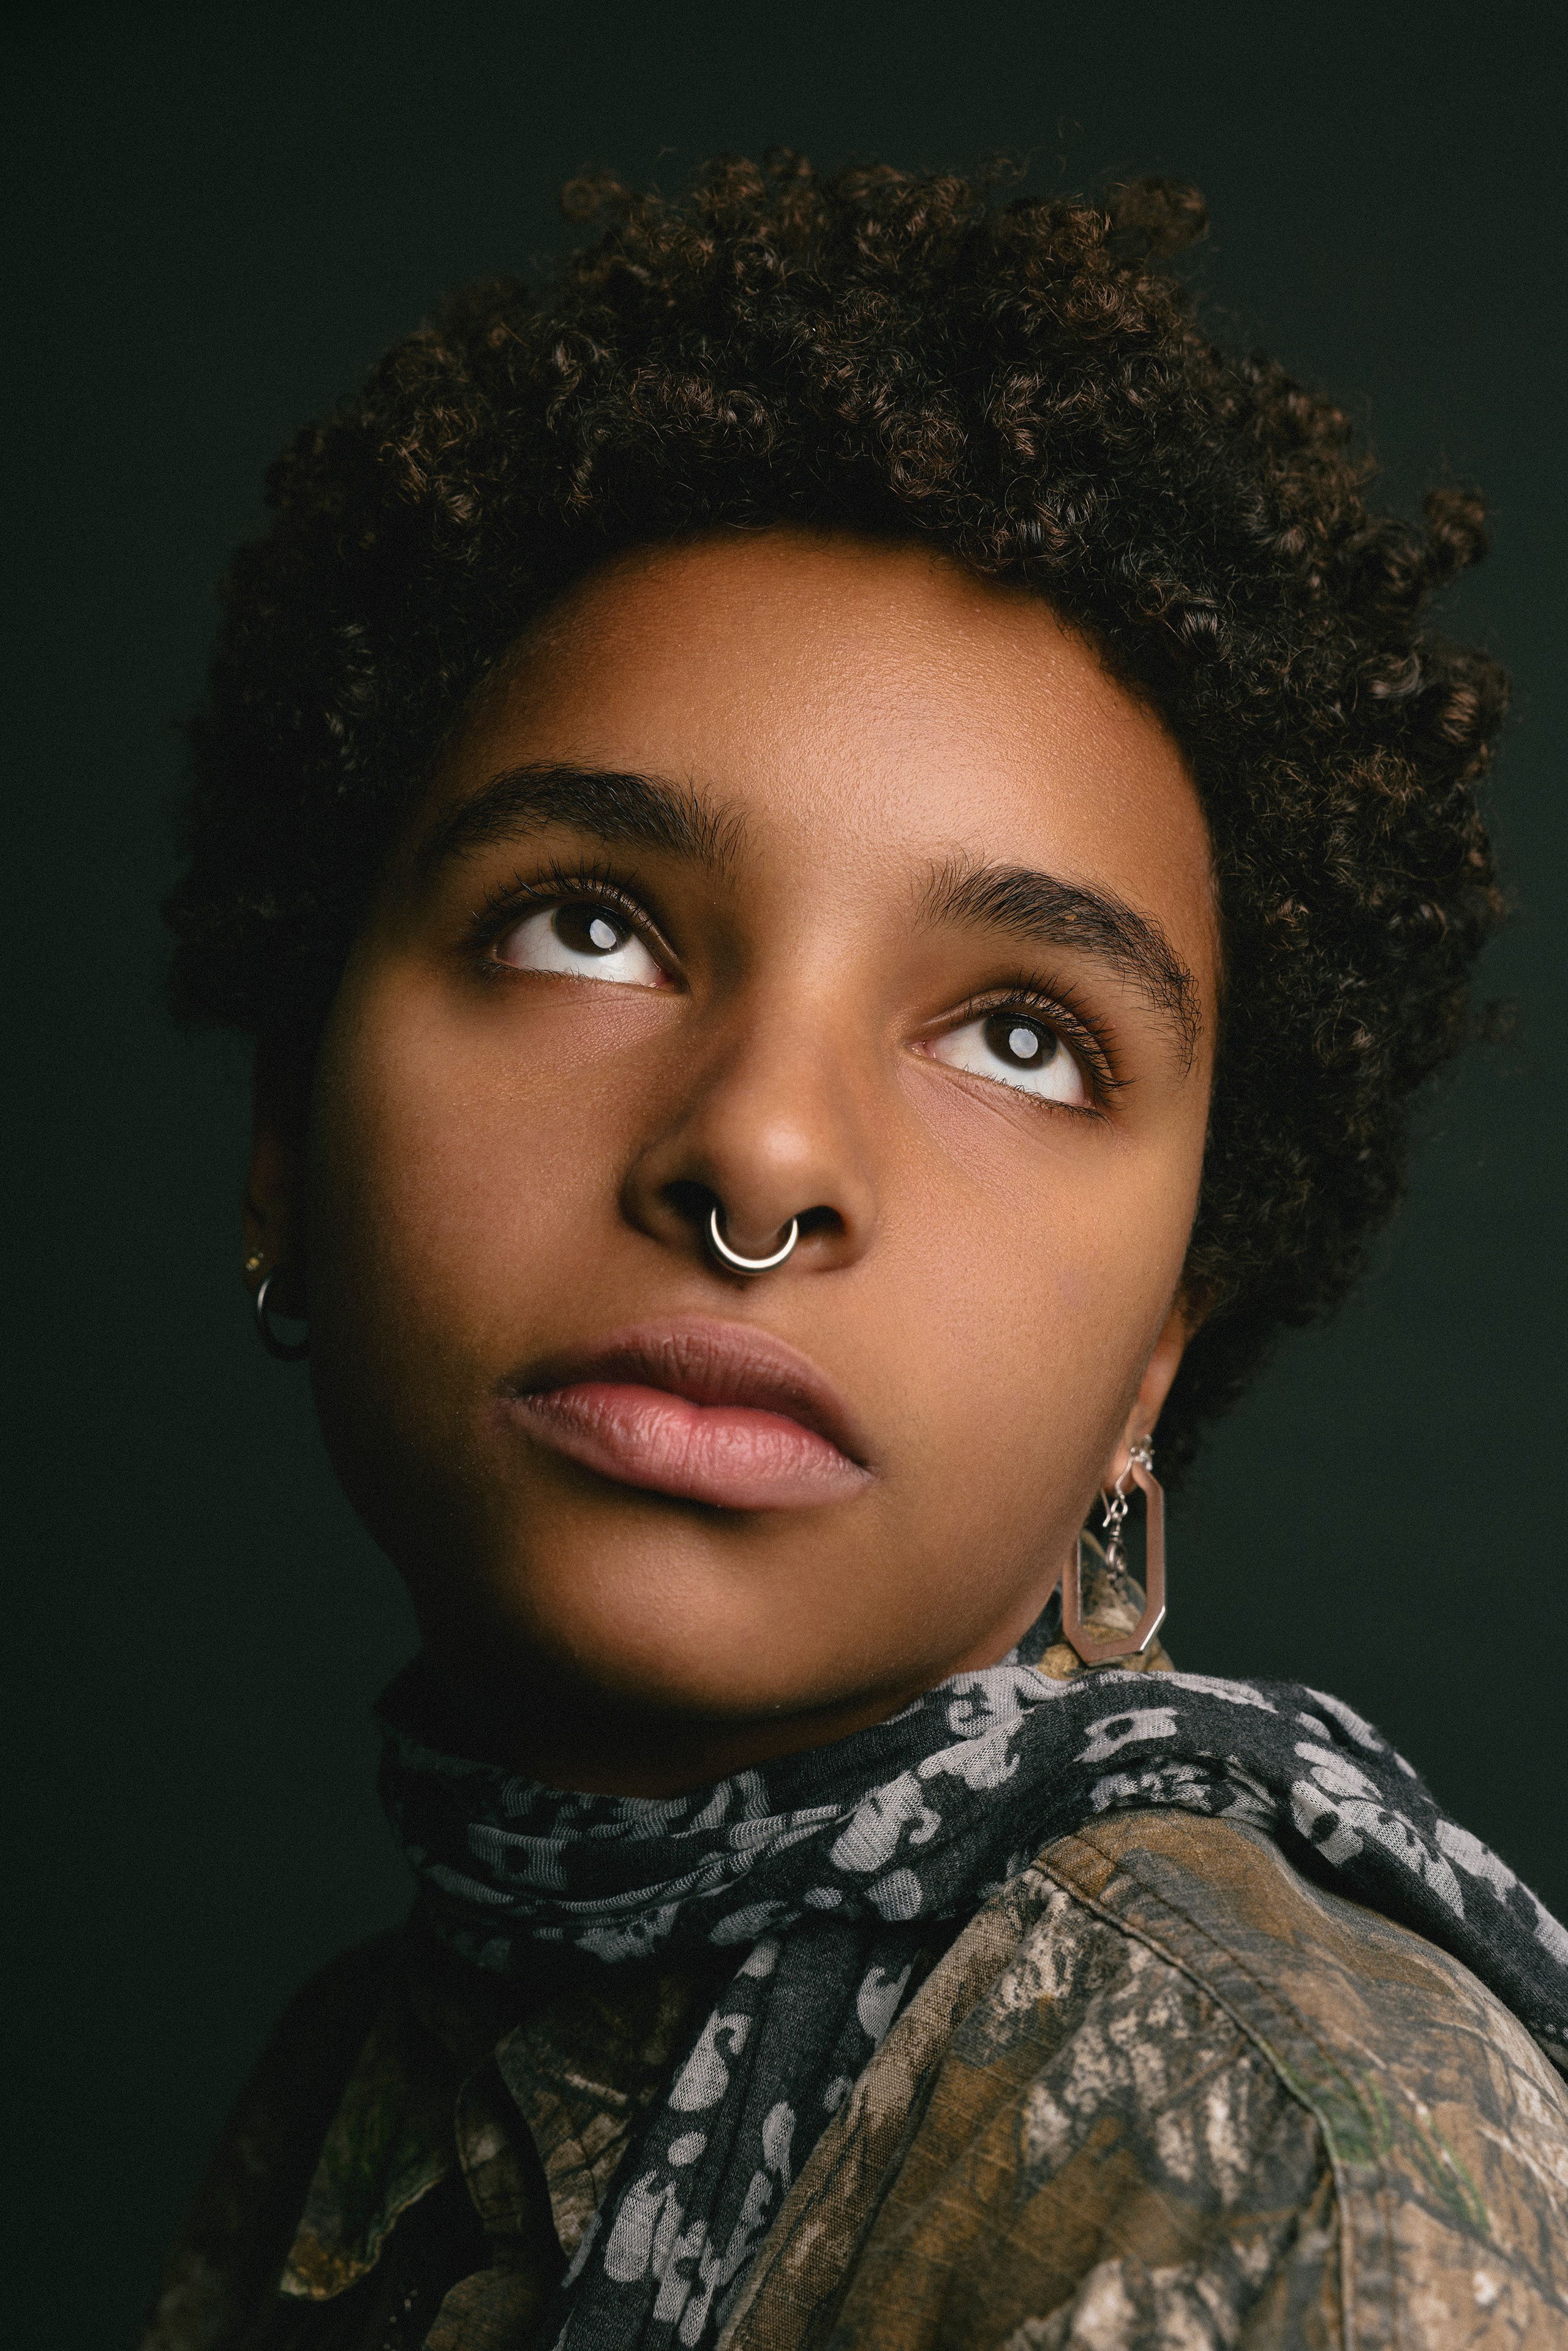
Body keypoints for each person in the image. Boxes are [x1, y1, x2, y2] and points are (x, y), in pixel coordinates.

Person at [139, 153, 1568, 2351]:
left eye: (1021, 1036)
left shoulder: (1283, 2156)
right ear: (278, 1143)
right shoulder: (382, 2074)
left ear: (1157, 1360)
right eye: (585, 925)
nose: (762, 1156)